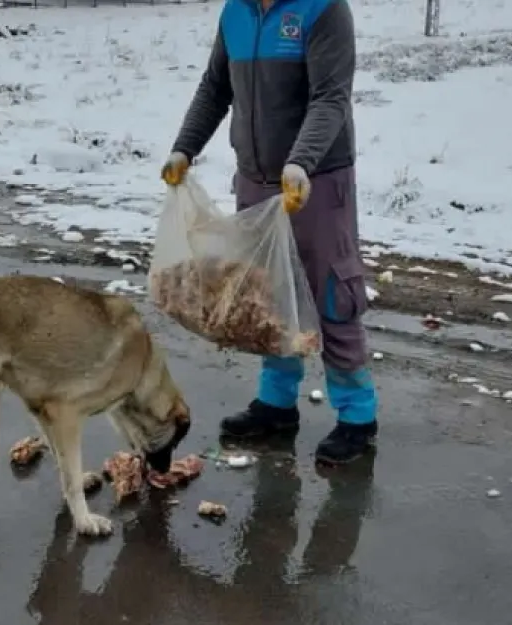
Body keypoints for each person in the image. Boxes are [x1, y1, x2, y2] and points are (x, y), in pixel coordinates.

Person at [160, 0, 378, 464]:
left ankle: (357, 415)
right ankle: (277, 404)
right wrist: (185, 147)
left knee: (332, 292)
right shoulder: (235, 13)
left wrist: (301, 162)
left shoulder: (323, 10)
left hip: (316, 179)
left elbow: (331, 97)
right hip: (256, 181)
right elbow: (215, 87)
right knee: (268, 294)